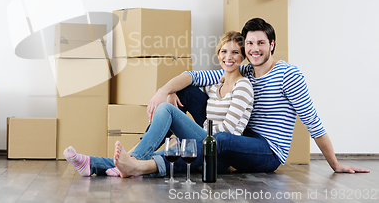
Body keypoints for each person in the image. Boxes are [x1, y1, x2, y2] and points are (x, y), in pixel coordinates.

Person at [147, 18, 370, 174]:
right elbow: (195, 76)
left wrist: (335, 164)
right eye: (250, 44)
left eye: (261, 43)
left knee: (219, 139)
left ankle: (150, 164)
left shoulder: (288, 75)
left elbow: (313, 122)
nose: (255, 49)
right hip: (242, 138)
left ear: (272, 45)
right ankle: (144, 151)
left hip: (268, 151)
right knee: (187, 92)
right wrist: (164, 91)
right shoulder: (244, 71)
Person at [64, 31, 254, 177]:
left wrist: (198, 130)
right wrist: (171, 92)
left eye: (235, 52)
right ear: (218, 54)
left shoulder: (243, 86)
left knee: (165, 110)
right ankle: (91, 164)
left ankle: (131, 158)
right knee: (156, 155)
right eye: (224, 52)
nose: (228, 57)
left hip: (219, 154)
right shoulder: (215, 85)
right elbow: (190, 83)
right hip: (203, 142)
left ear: (242, 57)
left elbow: (228, 131)